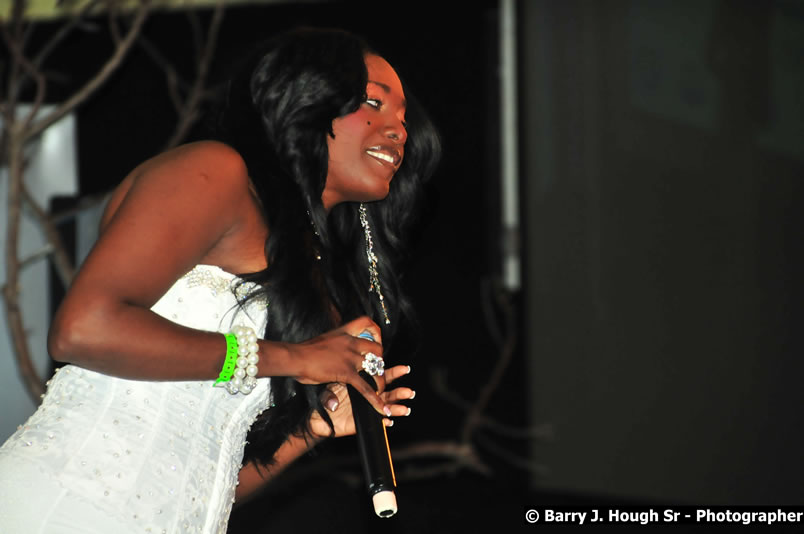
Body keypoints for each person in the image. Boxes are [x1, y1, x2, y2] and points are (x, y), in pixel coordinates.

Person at [0, 27, 441, 533]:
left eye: (404, 119)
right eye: (373, 103)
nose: (398, 130)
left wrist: (313, 429)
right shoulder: (214, 172)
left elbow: (205, 478)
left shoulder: (309, 269)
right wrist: (295, 358)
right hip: (63, 509)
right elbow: (83, 330)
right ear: (308, 97)